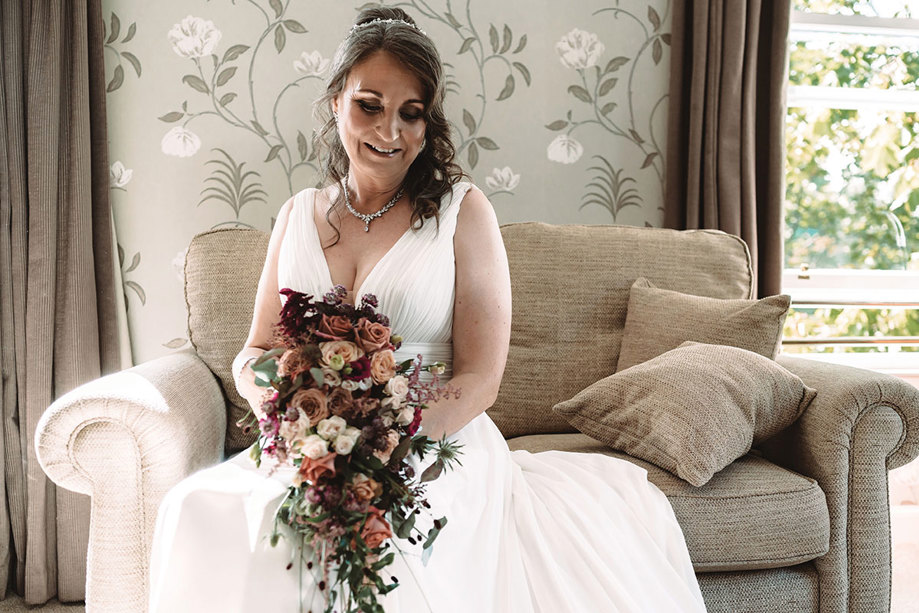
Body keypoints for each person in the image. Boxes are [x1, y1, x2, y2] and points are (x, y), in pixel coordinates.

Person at [148, 7, 708, 612]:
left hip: (429, 440)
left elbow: (480, 377)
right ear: (336, 99)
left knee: (387, 547)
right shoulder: (296, 215)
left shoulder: (462, 213)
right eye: (370, 104)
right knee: (199, 509)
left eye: (411, 114)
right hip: (310, 441)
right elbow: (256, 350)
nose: (390, 131)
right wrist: (287, 414)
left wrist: (387, 447)